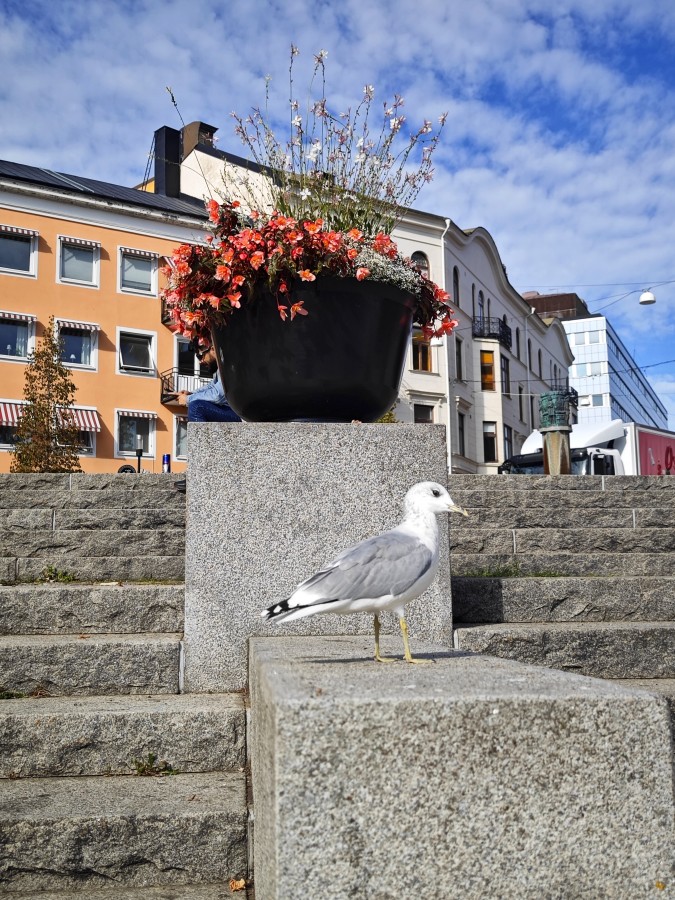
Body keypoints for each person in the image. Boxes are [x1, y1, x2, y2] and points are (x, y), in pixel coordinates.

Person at [174, 346, 241, 423]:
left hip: (242, 415)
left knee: (196, 407)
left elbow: (218, 395)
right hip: (234, 411)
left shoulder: (228, 365)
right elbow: (212, 385)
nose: (200, 361)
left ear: (213, 349)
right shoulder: (221, 366)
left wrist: (188, 399)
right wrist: (191, 393)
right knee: (196, 405)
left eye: (200, 356)